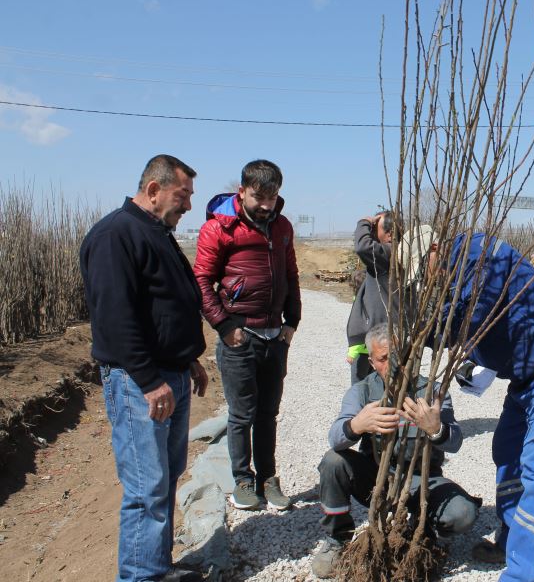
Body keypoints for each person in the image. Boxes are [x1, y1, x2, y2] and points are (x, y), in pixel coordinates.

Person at [431, 231, 534, 582]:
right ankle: (511, 536)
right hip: (526, 375)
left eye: (424, 271)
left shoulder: (476, 252)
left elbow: (477, 311)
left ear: (434, 250)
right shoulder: (454, 279)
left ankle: (523, 575)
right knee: (507, 449)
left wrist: (440, 326)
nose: (428, 281)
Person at [80, 155, 209, 582]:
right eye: (182, 195)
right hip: (140, 382)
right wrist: (151, 380)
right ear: (154, 190)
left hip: (167, 375)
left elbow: (164, 306)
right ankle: (141, 577)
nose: (188, 205)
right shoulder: (117, 234)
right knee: (146, 489)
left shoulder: (155, 233)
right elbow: (115, 318)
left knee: (166, 480)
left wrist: (188, 357)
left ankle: (156, 567)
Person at [310, 323, 479, 578]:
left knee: (463, 513)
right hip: (376, 480)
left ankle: (423, 532)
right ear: (372, 361)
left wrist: (436, 429)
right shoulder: (362, 391)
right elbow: (335, 439)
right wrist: (356, 425)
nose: (394, 365)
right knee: (333, 461)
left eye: (400, 356)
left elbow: (455, 442)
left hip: (421, 482)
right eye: (384, 358)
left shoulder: (430, 390)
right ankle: (338, 539)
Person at [193, 159, 301, 510]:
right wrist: (224, 326)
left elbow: (292, 276)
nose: (266, 205)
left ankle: (268, 478)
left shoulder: (282, 226)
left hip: (274, 337)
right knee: (242, 414)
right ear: (242, 191)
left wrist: (291, 322)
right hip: (240, 337)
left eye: (273, 197)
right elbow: (201, 281)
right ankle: (242, 478)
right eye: (259, 196)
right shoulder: (220, 228)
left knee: (268, 413)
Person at [345, 211, 395, 385]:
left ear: (389, 234)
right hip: (373, 337)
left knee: (362, 389)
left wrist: (363, 222)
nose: (371, 232)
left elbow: (362, 247)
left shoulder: (387, 254)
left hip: (373, 340)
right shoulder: (394, 255)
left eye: (375, 228)